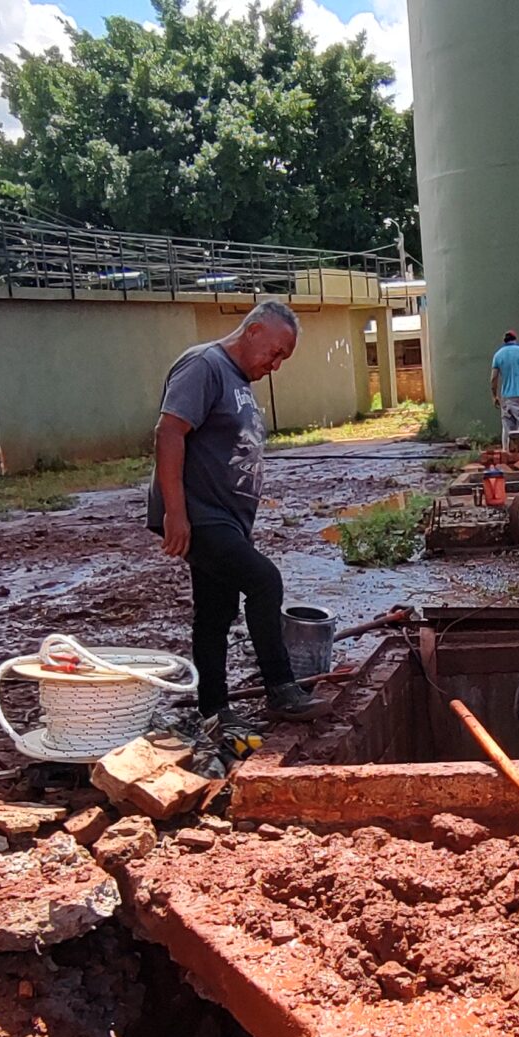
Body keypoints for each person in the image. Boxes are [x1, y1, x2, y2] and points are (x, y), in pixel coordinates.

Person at [150, 300, 328, 723]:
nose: (275, 365)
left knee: (216, 611)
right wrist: (176, 513)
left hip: (225, 518)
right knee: (264, 581)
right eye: (276, 353)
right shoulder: (204, 366)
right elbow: (169, 431)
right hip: (200, 512)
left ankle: (214, 709)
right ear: (253, 331)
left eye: (283, 359)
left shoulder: (237, 378)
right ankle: (281, 689)